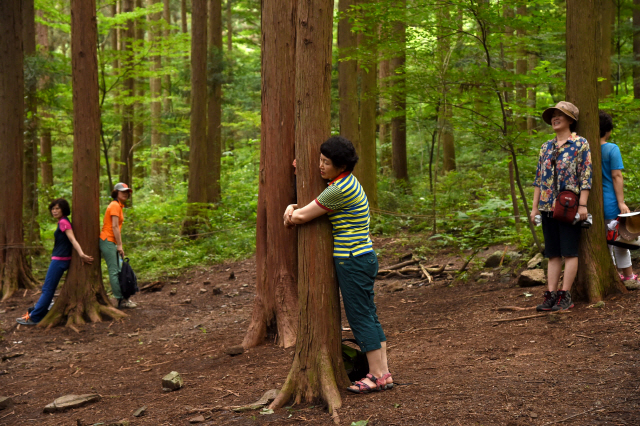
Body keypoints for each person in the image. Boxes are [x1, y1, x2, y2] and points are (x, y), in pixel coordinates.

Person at [283, 136, 392, 394]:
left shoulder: (338, 189)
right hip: (362, 257)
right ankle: (383, 374)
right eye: (319, 160)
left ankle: (376, 375)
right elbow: (316, 194)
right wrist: (303, 171)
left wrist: (289, 210)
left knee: (360, 316)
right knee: (368, 314)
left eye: (325, 162)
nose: (320, 166)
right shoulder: (345, 182)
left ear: (340, 166)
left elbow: (300, 216)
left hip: (352, 259)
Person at [531, 101, 592, 312]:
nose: (555, 118)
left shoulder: (580, 144)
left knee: (569, 252)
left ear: (570, 120)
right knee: (553, 253)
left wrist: (583, 204)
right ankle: (551, 294)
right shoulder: (545, 147)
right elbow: (539, 180)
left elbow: (585, 175)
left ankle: (565, 295)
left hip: (568, 207)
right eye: (553, 115)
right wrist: (534, 208)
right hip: (547, 206)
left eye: (560, 115)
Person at [17, 199, 93, 325]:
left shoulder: (63, 222)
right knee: (48, 289)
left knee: (47, 289)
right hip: (59, 260)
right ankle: (36, 312)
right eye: (53, 209)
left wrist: (82, 254)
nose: (54, 211)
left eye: (57, 208)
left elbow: (72, 240)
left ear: (63, 209)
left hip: (59, 261)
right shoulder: (62, 222)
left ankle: (34, 317)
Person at [599, 110, 637, 282]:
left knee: (602, 244)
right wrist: (621, 202)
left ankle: (611, 276)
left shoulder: (584, 150)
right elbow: (616, 176)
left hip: (590, 205)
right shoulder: (611, 149)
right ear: (608, 130)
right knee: (620, 241)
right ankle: (628, 277)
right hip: (610, 203)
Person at [100, 182, 136, 309]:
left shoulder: (119, 206)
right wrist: (119, 245)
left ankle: (123, 298)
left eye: (127, 192)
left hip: (111, 241)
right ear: (116, 192)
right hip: (108, 240)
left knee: (118, 270)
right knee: (114, 271)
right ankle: (121, 300)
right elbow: (114, 226)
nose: (125, 194)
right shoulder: (115, 205)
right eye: (122, 191)